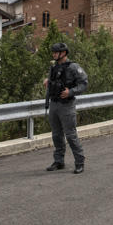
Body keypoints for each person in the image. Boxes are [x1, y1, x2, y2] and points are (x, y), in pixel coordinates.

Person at [43, 42, 89, 174]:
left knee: (71, 135)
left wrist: (71, 92)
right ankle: (59, 161)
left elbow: (84, 84)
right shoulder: (54, 67)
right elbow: (55, 81)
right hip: (54, 104)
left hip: (66, 106)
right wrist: (48, 80)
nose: (53, 54)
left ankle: (79, 162)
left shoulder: (73, 67)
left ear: (63, 53)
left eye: (55, 52)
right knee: (56, 135)